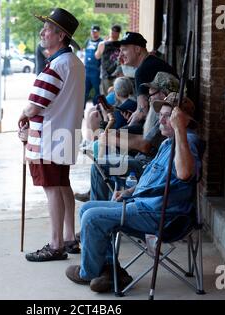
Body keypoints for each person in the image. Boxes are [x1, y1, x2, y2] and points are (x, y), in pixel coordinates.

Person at [66, 92, 201, 293]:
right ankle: (111, 271)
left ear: (181, 120)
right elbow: (153, 179)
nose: (161, 120)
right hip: (144, 205)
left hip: (163, 216)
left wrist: (180, 129)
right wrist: (129, 191)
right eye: (161, 115)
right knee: (88, 209)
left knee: (93, 218)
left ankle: (89, 273)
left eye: (168, 116)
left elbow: (185, 173)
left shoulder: (188, 141)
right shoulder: (167, 143)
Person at [18, 8, 85, 262]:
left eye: (47, 29)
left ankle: (57, 244)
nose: (42, 32)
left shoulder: (56, 66)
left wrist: (22, 114)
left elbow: (35, 106)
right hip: (65, 135)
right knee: (62, 184)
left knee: (52, 188)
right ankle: (68, 237)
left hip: (49, 138)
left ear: (60, 36)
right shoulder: (74, 64)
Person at [75, 72, 179, 202]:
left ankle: (98, 205)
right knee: (106, 155)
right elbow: (144, 137)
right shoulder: (157, 113)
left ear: (163, 95)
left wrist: (113, 138)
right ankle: (101, 199)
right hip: (141, 158)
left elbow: (145, 145)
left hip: (147, 164)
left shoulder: (166, 116)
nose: (148, 98)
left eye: (151, 95)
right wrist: (122, 132)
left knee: (100, 165)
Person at [118, 32, 177, 127]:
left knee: (112, 136)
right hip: (169, 120)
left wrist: (129, 125)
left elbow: (142, 112)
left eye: (124, 50)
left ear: (137, 49)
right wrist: (135, 114)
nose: (120, 55)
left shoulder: (142, 70)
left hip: (165, 125)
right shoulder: (153, 62)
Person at [95, 25, 122, 95]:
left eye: (116, 32)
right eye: (113, 31)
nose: (113, 33)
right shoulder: (103, 44)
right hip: (106, 75)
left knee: (117, 97)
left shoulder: (122, 44)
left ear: (119, 33)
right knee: (107, 98)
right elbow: (97, 56)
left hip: (118, 74)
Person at [84, 25, 103, 106]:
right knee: (84, 92)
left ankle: (96, 111)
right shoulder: (88, 41)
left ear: (98, 32)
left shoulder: (101, 42)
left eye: (95, 32)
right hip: (86, 70)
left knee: (97, 92)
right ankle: (81, 113)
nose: (94, 34)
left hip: (96, 71)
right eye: (92, 32)